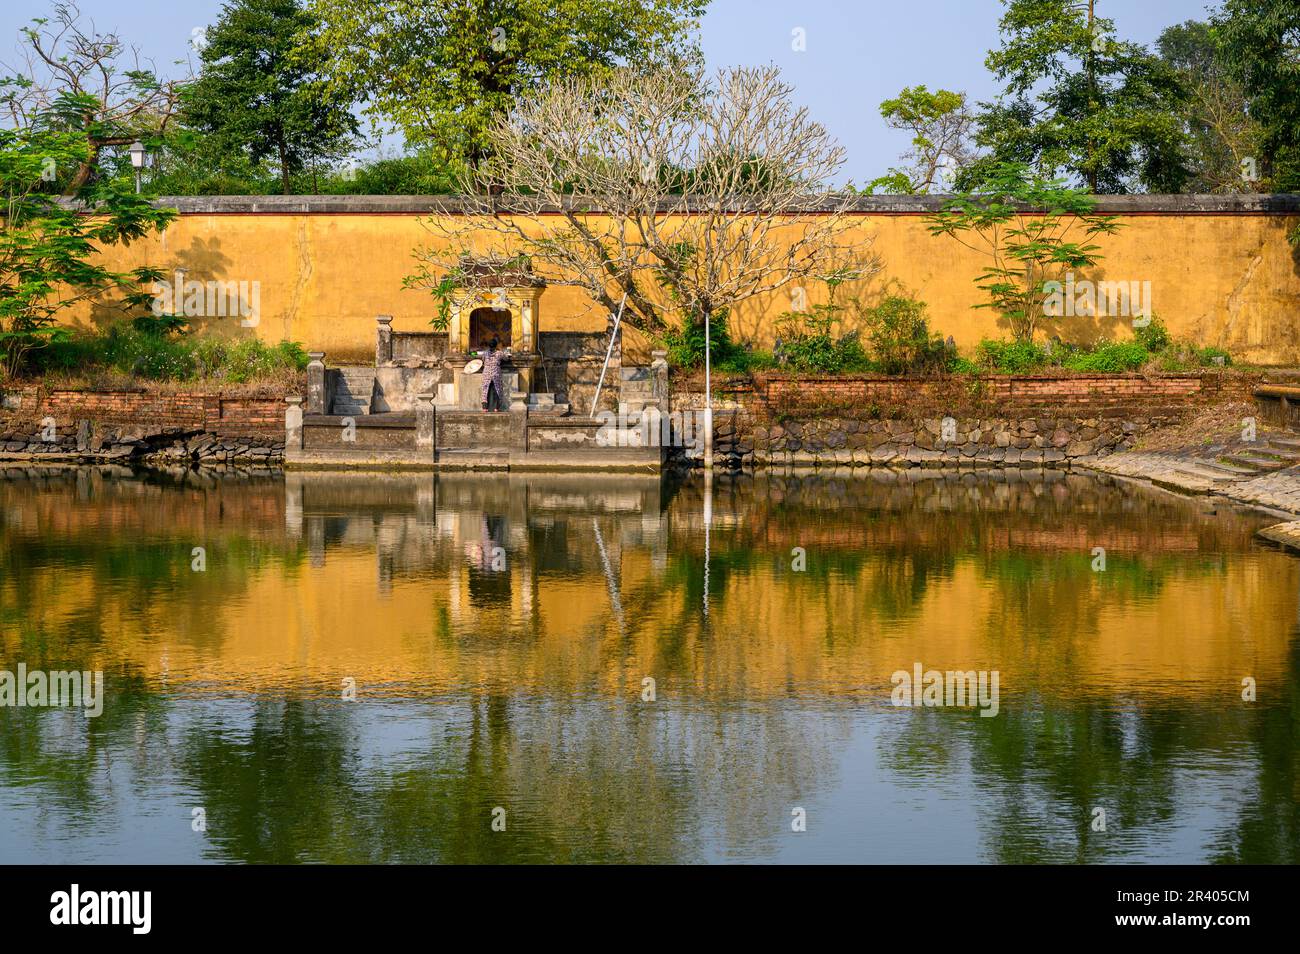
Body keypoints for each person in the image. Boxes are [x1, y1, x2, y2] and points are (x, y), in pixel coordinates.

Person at [480, 338, 506, 412]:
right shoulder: (499, 353)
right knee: (497, 389)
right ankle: (496, 408)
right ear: (496, 345)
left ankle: (485, 408)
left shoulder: (485, 353)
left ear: (488, 346)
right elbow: (506, 358)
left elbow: (482, 360)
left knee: (485, 390)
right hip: (496, 373)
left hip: (486, 372)